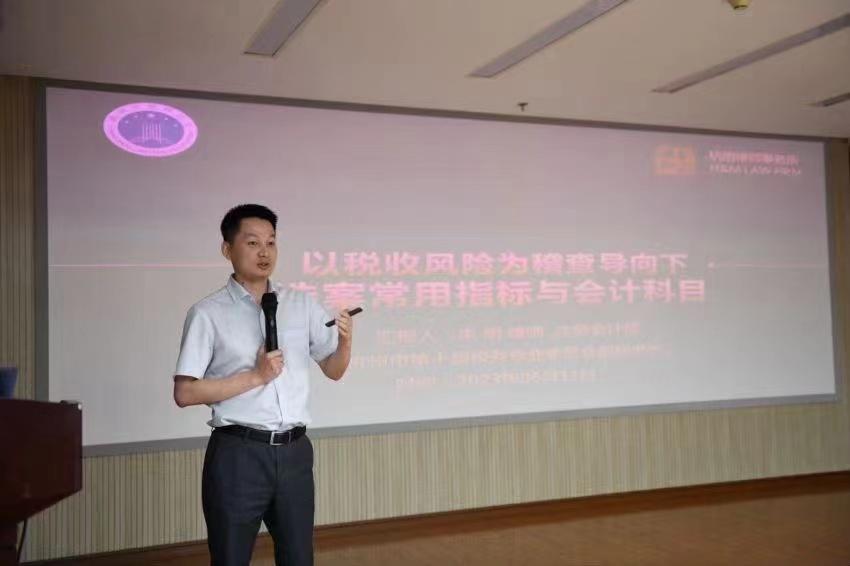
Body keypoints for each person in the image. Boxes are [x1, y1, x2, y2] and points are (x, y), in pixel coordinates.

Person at [173, 203, 353, 566]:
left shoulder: (300, 304)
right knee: (231, 558)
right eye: (252, 242)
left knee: (299, 558)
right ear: (227, 249)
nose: (264, 252)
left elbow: (333, 370)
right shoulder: (208, 313)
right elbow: (185, 392)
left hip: (294, 452)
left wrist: (346, 343)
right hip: (238, 454)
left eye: (271, 242)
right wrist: (255, 377)